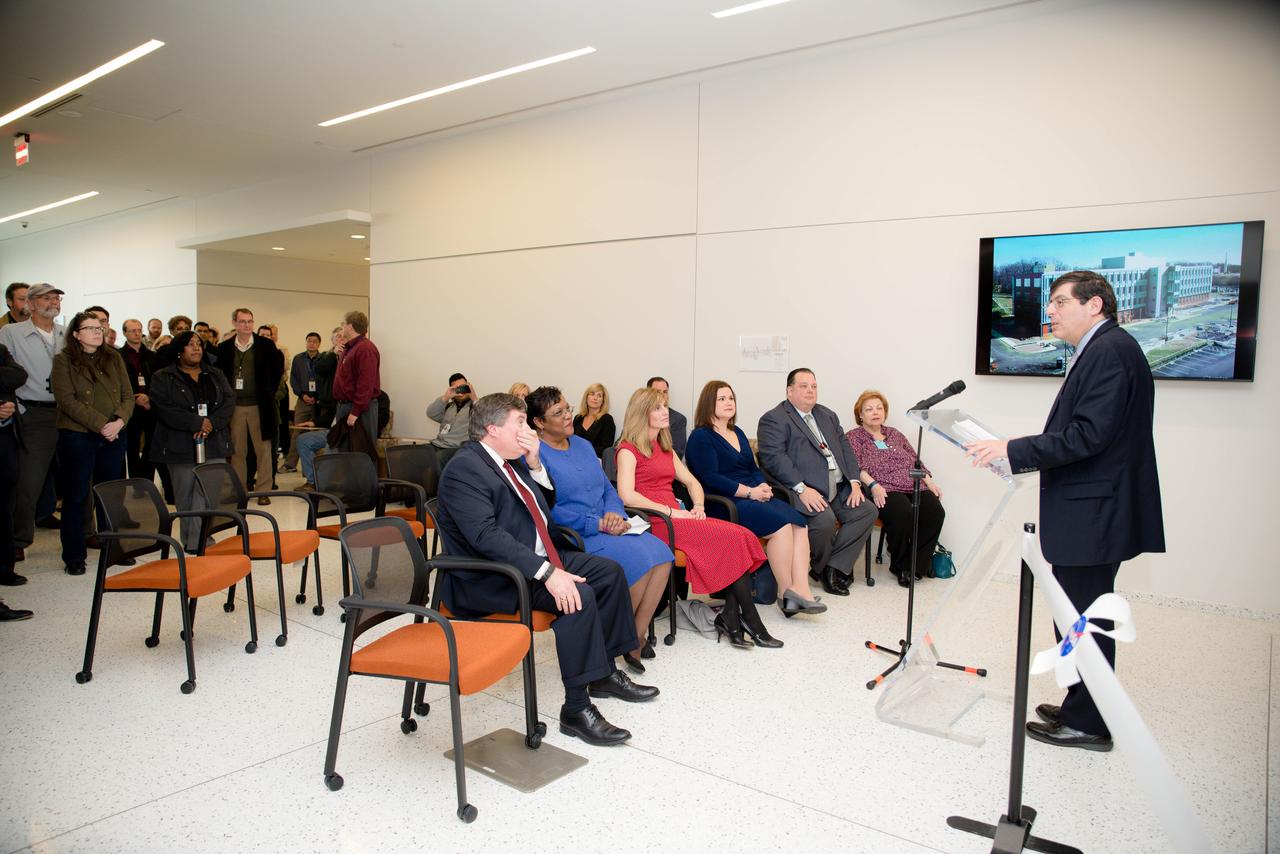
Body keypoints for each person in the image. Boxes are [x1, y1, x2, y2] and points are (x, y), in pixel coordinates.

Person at [967, 270, 1164, 753]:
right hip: (1092, 507)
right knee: (1078, 614)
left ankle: (1089, 723)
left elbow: (1087, 436)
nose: (1049, 311)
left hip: (1094, 511)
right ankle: (1083, 703)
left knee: (1084, 619)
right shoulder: (1104, 349)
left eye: (1059, 302)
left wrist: (1013, 448)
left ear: (1094, 305)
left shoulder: (1110, 352)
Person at [436, 393, 658, 746]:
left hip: (538, 555)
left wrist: (536, 463)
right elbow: (484, 536)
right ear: (492, 429)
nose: (528, 430)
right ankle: (576, 709)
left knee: (609, 572)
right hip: (494, 574)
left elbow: (544, 507)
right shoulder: (464, 469)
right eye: (520, 423)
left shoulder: (513, 460)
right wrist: (548, 573)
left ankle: (603, 674)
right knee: (577, 595)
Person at [616, 387, 784, 644]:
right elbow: (627, 496)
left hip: (678, 517)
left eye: (665, 406)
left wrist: (698, 507)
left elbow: (693, 483)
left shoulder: (665, 447)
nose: (666, 413)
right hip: (655, 522)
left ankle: (733, 616)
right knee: (733, 538)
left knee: (741, 535)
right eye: (658, 408)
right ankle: (751, 623)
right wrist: (673, 512)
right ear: (642, 413)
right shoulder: (628, 450)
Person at [527, 386, 674, 673]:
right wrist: (597, 523)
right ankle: (613, 640)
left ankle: (636, 634)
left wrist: (615, 513)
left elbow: (608, 488)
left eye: (567, 408)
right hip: (578, 534)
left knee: (662, 553)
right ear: (539, 423)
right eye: (558, 413)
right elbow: (548, 510)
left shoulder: (581, 445)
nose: (568, 415)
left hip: (610, 524)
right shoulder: (534, 457)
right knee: (642, 562)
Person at [685, 380, 816, 610]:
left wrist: (763, 486)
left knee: (800, 522)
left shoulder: (738, 432)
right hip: (725, 502)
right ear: (708, 404)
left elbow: (752, 469)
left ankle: (802, 589)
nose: (729, 403)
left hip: (752, 495)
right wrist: (750, 493)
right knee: (782, 527)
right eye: (722, 399)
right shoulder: (701, 436)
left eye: (731, 398)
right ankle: (786, 593)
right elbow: (710, 477)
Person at [757, 368, 878, 598]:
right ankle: (827, 570)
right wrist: (801, 488)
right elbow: (774, 459)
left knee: (866, 511)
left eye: (814, 386)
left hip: (839, 487)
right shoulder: (774, 418)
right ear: (789, 391)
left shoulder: (827, 415)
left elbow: (845, 449)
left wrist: (853, 481)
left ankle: (832, 567)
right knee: (824, 522)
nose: (810, 391)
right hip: (805, 489)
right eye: (803, 386)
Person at [51, 312, 133, 575]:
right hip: (78, 435)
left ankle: (114, 548)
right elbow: (67, 400)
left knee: (111, 496)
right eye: (90, 328)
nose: (97, 332)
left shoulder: (113, 357)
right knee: (77, 496)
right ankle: (74, 557)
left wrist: (119, 421)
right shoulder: (63, 361)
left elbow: (128, 395)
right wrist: (101, 424)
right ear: (76, 334)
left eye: (99, 327)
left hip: (114, 435)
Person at [845, 390, 945, 587]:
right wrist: (873, 485)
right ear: (860, 415)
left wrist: (930, 482)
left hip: (913, 484)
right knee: (903, 514)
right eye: (869, 409)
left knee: (935, 513)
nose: (875, 412)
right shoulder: (854, 437)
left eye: (879, 408)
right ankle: (900, 566)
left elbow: (916, 461)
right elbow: (854, 466)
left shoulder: (894, 434)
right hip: (884, 487)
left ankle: (916, 565)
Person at [149, 332, 236, 553]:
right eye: (190, 345)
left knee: (209, 491)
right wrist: (196, 423)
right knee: (186, 494)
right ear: (179, 351)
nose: (196, 349)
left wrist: (210, 424)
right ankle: (193, 541)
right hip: (179, 442)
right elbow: (163, 407)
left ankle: (199, 539)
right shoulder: (163, 376)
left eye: (199, 345)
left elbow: (228, 401)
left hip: (214, 440)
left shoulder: (214, 374)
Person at [0, 284, 67, 565]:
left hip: (68, 412)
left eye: (57, 297)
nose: (53, 302)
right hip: (34, 413)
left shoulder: (66, 333)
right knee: (30, 480)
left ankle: (86, 532)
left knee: (78, 478)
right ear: (29, 303)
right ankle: (19, 540)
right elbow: (7, 373)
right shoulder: (11, 333)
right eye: (46, 297)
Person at [215, 308, 282, 504]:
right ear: (234, 323)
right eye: (242, 321)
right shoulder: (225, 347)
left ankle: (263, 491)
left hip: (259, 406)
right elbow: (220, 374)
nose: (246, 325)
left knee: (263, 450)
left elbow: (276, 369)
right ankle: (240, 490)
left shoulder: (266, 345)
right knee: (237, 451)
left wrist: (269, 390)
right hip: (235, 406)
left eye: (250, 321)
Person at [294, 327, 342, 490]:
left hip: (344, 426)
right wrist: (314, 422)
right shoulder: (325, 357)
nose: (340, 340)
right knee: (302, 440)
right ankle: (312, 481)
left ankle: (324, 485)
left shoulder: (352, 356)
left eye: (342, 337)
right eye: (336, 337)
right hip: (327, 409)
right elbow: (320, 369)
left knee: (330, 445)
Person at [0, 341, 29, 586]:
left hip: (6, 439)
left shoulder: (0, 349)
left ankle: (4, 569)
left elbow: (19, 375)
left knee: (6, 507)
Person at [330, 311, 380, 449]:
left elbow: (366, 384)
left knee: (361, 451)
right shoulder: (350, 348)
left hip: (359, 409)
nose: (342, 328)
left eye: (343, 324)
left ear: (350, 327)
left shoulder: (365, 349)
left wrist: (355, 411)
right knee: (345, 452)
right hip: (345, 406)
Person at [117, 318, 158, 484]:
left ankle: (146, 481)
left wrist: (149, 397)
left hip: (149, 405)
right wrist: (134, 398)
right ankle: (135, 481)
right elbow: (118, 382)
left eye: (139, 330)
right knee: (132, 447)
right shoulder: (118, 356)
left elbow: (158, 380)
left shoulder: (152, 356)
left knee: (151, 446)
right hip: (130, 406)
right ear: (125, 333)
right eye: (132, 330)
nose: (136, 333)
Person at [284, 332, 323, 471]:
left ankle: (319, 464)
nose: (311, 343)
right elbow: (293, 379)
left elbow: (325, 380)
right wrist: (301, 394)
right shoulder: (298, 359)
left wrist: (317, 397)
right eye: (309, 341)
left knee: (317, 431)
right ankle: (290, 464)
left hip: (318, 402)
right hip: (302, 400)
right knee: (297, 431)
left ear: (319, 344)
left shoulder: (323, 359)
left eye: (314, 341)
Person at [425, 372, 474, 467]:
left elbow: (483, 417)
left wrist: (474, 397)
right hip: (439, 444)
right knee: (410, 454)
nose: (461, 391)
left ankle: (437, 482)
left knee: (439, 458)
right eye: (457, 388)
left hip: (459, 448)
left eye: (464, 387)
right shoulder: (448, 407)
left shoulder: (475, 407)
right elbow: (431, 413)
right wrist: (445, 397)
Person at [646, 376, 687, 458]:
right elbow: (620, 444)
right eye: (657, 392)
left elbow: (677, 453)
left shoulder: (677, 419)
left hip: (662, 466)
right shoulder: (639, 415)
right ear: (648, 394)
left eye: (665, 392)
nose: (662, 395)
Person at [572, 382, 615, 459]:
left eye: (599, 396)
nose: (595, 398)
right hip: (575, 458)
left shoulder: (607, 420)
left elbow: (606, 449)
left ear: (603, 401)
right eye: (592, 394)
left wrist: (583, 451)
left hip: (594, 461)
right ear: (586, 397)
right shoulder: (578, 418)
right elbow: (570, 441)